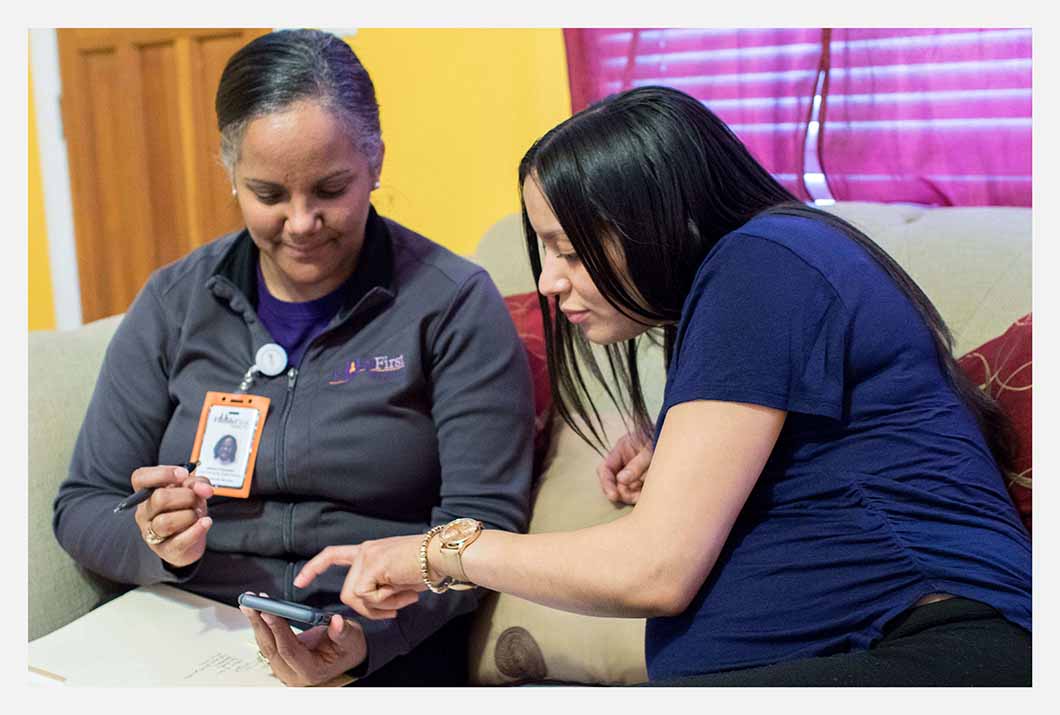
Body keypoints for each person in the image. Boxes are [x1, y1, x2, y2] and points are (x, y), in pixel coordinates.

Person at [293, 86, 1032, 686]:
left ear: (661, 219)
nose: (549, 282)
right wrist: (681, 447)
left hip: (925, 647)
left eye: (567, 249)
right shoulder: (753, 277)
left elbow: (656, 569)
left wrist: (438, 552)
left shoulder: (762, 263)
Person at [52, 29, 534, 687]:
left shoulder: (450, 304)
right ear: (230, 173)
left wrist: (366, 639)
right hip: (190, 630)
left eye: (331, 189)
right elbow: (82, 503)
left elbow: (483, 532)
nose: (302, 222)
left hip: (377, 646)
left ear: (375, 162)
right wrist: (156, 542)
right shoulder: (174, 301)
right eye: (269, 194)